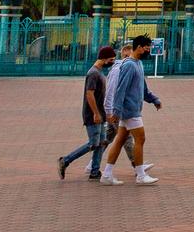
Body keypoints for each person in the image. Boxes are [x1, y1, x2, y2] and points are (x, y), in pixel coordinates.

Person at [101, 35, 162, 186]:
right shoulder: (129, 65)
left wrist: (153, 99)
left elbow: (143, 88)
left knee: (120, 139)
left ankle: (107, 174)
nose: (149, 50)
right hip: (130, 110)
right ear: (139, 47)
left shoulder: (138, 64)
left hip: (131, 109)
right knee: (140, 139)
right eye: (147, 47)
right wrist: (116, 110)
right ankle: (141, 175)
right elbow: (121, 89)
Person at [58, 46, 117, 180]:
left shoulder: (99, 72)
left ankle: (95, 171)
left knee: (101, 142)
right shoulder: (93, 73)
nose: (112, 62)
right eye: (111, 60)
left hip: (100, 114)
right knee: (93, 143)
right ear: (105, 58)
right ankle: (66, 160)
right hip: (92, 115)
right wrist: (96, 113)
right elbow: (89, 94)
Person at [102, 42, 142, 176]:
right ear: (125, 52)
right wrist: (111, 111)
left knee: (106, 139)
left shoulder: (133, 65)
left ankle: (93, 166)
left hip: (119, 110)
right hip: (118, 111)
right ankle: (138, 168)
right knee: (128, 139)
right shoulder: (119, 68)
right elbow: (113, 91)